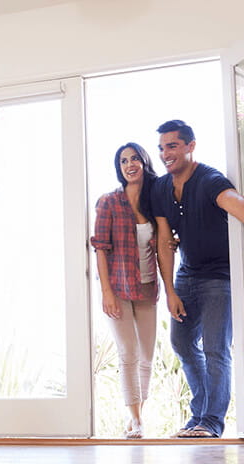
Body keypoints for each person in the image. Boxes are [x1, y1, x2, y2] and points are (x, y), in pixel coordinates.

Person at [151, 120, 244, 438]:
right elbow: (163, 240)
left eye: (172, 146)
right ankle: (199, 414)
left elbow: (233, 200)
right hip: (187, 275)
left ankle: (211, 422)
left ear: (190, 146)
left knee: (216, 349)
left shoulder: (209, 179)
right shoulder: (160, 188)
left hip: (219, 278)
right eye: (161, 148)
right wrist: (170, 290)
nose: (165, 153)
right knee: (182, 343)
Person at [90, 142, 161, 439]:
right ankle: (135, 419)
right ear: (119, 168)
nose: (130, 165)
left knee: (146, 355)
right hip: (117, 286)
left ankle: (137, 416)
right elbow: (101, 248)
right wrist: (106, 291)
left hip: (146, 286)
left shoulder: (156, 201)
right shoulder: (109, 202)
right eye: (123, 161)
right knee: (128, 353)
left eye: (134, 159)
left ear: (144, 162)